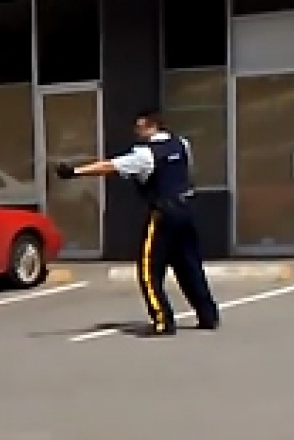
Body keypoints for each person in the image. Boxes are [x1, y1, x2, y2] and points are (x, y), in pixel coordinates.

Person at [55, 109, 220, 337]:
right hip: (186, 209)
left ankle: (163, 320)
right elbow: (187, 173)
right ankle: (208, 315)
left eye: (140, 126)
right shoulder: (182, 144)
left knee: (149, 270)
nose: (136, 130)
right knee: (189, 266)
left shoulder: (145, 153)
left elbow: (110, 166)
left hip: (162, 213)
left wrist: (75, 171)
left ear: (152, 126)